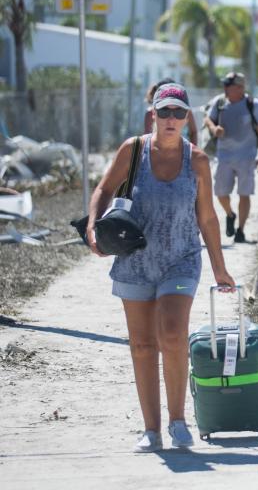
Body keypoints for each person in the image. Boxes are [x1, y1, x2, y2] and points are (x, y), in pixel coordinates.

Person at [86, 82, 235, 452]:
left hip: (181, 259)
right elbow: (104, 190)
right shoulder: (133, 152)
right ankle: (151, 429)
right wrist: (92, 227)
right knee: (141, 344)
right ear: (153, 114)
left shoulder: (196, 160)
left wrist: (219, 268)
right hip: (134, 260)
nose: (170, 119)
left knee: (171, 333)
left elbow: (208, 218)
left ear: (186, 118)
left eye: (178, 113)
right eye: (164, 111)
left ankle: (178, 421)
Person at [203, 72, 258, 244]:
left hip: (246, 156)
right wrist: (214, 128)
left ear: (239, 88)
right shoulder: (220, 102)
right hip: (224, 155)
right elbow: (208, 118)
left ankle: (241, 230)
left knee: (244, 194)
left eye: (228, 85)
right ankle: (230, 214)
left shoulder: (253, 104)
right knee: (221, 193)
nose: (225, 88)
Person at [143, 78, 197, 145]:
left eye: (179, 113)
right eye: (164, 111)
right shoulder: (150, 112)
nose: (171, 120)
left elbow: (193, 131)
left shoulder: (186, 110)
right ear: (154, 113)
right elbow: (147, 134)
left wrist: (192, 151)